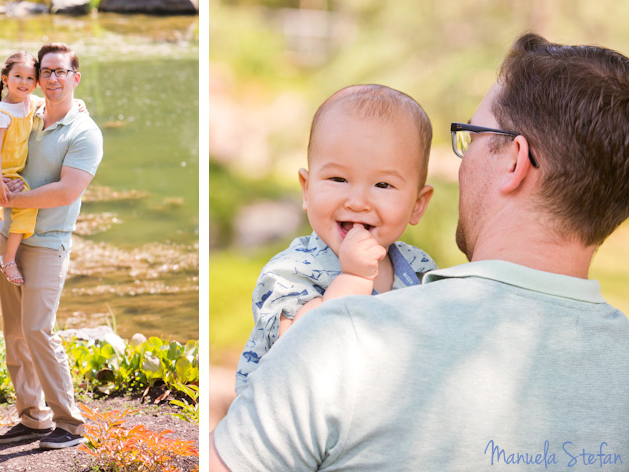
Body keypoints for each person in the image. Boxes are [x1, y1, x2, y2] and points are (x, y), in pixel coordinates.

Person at [211, 34, 629, 471]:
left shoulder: (342, 340)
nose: (358, 200)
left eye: (471, 136)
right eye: (338, 180)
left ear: (514, 162)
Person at [235, 84, 436, 395]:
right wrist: (353, 279)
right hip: (294, 432)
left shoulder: (420, 269)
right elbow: (301, 353)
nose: (357, 201)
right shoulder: (291, 271)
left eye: (383, 185)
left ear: (418, 204)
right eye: (338, 179)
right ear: (306, 189)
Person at [0, 42, 103, 450]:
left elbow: (65, 192)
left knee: (38, 329)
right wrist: (0, 206)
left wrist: (11, 199)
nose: (51, 78)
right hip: (10, 238)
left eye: (60, 71)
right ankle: (33, 418)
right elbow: (5, 158)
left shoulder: (84, 131)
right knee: (15, 333)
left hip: (48, 243)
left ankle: (69, 424)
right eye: (46, 71)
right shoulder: (28, 113)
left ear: (75, 77)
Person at [0, 51, 44, 285]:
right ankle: (8, 258)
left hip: (15, 169)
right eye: (18, 76)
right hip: (3, 170)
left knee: (18, 203)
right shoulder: (3, 113)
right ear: (5, 78)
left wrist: (78, 102)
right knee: (28, 204)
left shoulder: (30, 102)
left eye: (30, 78)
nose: (24, 82)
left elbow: (49, 102)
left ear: (36, 83)